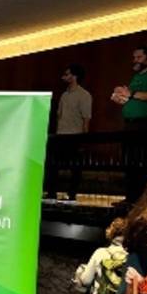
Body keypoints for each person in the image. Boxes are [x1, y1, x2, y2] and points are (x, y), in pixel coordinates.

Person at [111, 46, 147, 202]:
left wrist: (131, 94)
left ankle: (143, 201)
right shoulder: (137, 76)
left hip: (146, 124)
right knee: (129, 162)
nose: (135, 60)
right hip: (130, 125)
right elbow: (131, 98)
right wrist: (120, 97)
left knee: (144, 164)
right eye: (134, 57)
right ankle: (131, 199)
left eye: (139, 57)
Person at [48, 63, 92, 200]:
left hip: (74, 136)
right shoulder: (64, 95)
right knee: (53, 166)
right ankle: (51, 193)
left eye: (67, 74)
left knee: (75, 168)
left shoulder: (84, 95)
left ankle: (72, 194)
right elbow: (59, 116)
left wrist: (84, 140)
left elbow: (86, 119)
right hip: (60, 135)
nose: (64, 77)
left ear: (74, 76)